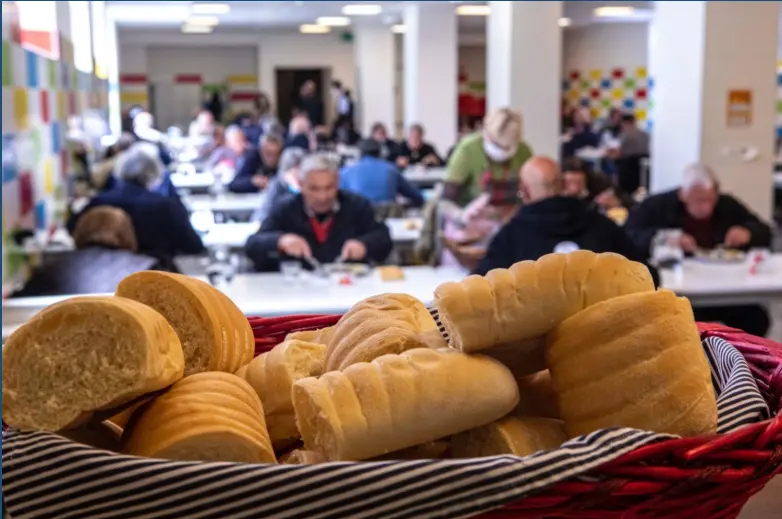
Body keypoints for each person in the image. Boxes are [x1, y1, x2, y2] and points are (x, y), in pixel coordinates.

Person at [624, 163, 772, 336]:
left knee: (757, 319)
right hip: (679, 288)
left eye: (710, 200)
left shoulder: (727, 205)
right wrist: (662, 237)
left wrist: (748, 233)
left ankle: (747, 358)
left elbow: (764, 231)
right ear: (683, 195)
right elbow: (629, 235)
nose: (705, 207)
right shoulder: (658, 205)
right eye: (698, 200)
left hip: (724, 284)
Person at [473, 156, 647, 276]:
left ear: (524, 191)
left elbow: (479, 290)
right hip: (600, 328)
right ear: (563, 184)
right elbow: (646, 275)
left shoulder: (511, 236)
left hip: (534, 330)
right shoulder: (603, 226)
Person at [245, 153, 392, 271]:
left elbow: (384, 238)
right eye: (314, 189)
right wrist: (280, 241)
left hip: (347, 289)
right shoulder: (285, 208)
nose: (322, 197)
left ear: (338, 183)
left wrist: (364, 244)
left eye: (329, 188)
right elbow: (252, 245)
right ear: (301, 185)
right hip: (295, 292)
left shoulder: (356, 205)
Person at [68, 143, 204, 269]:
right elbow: (193, 246)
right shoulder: (165, 206)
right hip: (155, 276)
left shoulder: (98, 202)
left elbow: (72, 229)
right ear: (154, 173)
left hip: (99, 274)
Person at [13, 207, 163, 297]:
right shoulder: (149, 268)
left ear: (81, 231)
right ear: (128, 234)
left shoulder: (55, 268)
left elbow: (17, 305)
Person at [445, 108, 534, 207]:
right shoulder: (468, 149)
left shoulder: (523, 150)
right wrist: (461, 217)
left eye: (507, 148)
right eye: (497, 145)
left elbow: (532, 191)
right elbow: (447, 198)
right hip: (473, 215)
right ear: (486, 134)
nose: (502, 151)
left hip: (512, 216)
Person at [340, 139, 425, 207]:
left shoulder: (346, 172)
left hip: (359, 222)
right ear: (381, 153)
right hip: (390, 222)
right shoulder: (391, 169)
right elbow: (415, 196)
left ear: (359, 154)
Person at [255, 147, 306, 223]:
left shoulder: (311, 187)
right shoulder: (276, 186)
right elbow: (264, 214)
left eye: (301, 174)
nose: (298, 178)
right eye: (294, 174)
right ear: (285, 173)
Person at [561, 157, 633, 211]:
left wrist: (618, 204)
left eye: (578, 183)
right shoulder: (557, 197)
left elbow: (630, 205)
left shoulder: (600, 187)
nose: (574, 188)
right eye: (569, 183)